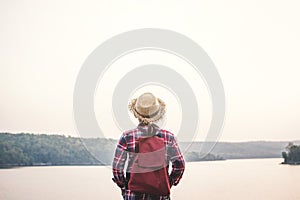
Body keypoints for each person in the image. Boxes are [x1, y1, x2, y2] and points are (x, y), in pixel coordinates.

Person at [112, 92, 185, 200]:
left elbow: (117, 169)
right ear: (156, 115)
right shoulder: (168, 137)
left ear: (137, 115)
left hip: (133, 195)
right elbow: (180, 165)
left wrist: (125, 186)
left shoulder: (127, 137)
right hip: (161, 195)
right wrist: (169, 182)